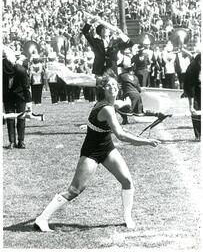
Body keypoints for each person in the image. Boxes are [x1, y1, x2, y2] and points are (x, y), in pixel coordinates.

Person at [34, 71, 160, 232]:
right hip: (91, 152)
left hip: (107, 148)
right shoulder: (106, 108)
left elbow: (116, 105)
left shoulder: (108, 103)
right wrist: (146, 142)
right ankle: (42, 219)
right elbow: (121, 135)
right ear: (103, 89)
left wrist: (124, 103)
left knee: (127, 181)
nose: (113, 87)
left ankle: (127, 218)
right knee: (75, 190)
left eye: (115, 85)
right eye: (109, 85)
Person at [3, 46, 32, 149]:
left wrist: (28, 102)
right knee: (14, 118)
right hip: (12, 96)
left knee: (17, 118)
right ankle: (15, 141)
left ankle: (18, 141)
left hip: (16, 96)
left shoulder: (20, 70)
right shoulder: (6, 70)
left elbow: (26, 86)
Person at [118, 49, 144, 125]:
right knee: (139, 111)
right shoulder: (135, 77)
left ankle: (125, 120)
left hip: (129, 95)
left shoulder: (121, 76)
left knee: (118, 107)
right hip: (137, 96)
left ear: (123, 68)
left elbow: (119, 87)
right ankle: (156, 114)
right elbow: (139, 89)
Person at [183, 53, 201, 141]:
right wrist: (191, 106)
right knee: (196, 112)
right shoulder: (192, 69)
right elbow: (190, 88)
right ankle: (198, 135)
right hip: (195, 91)